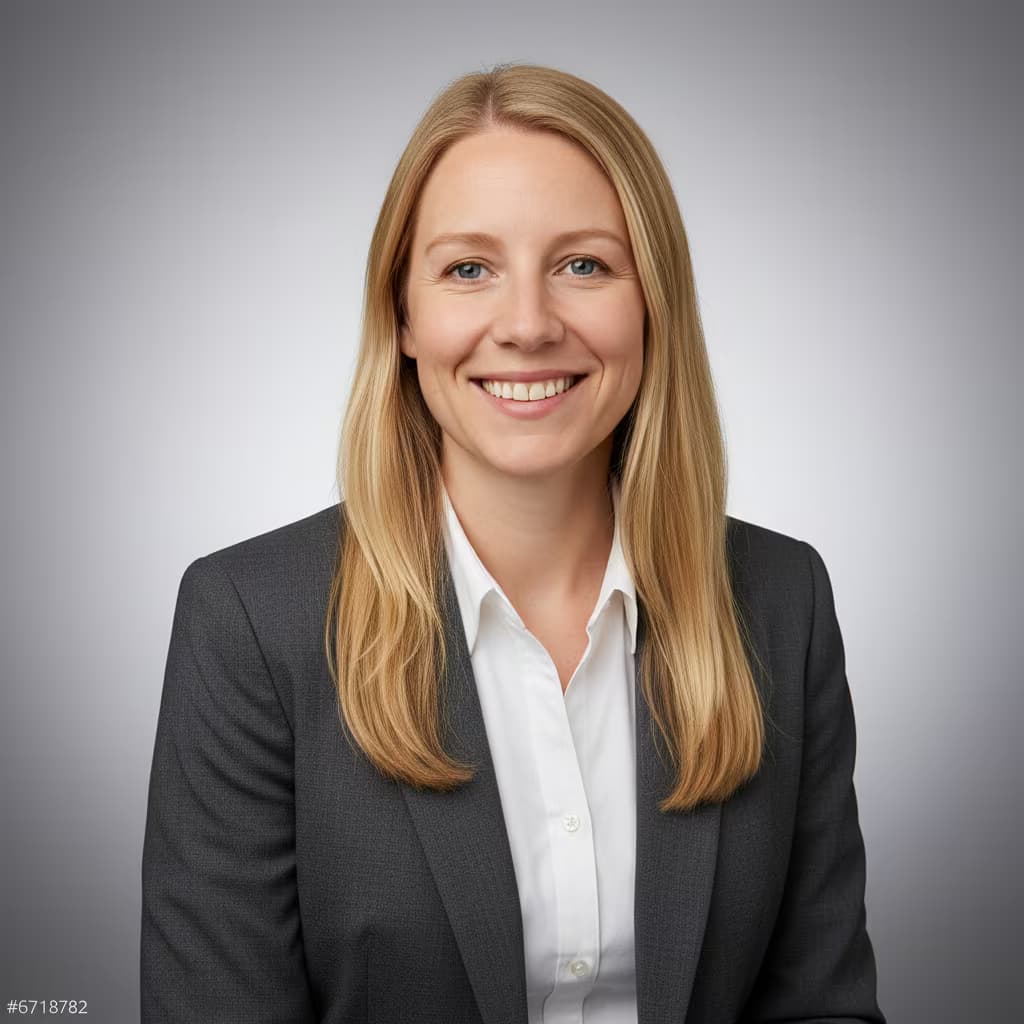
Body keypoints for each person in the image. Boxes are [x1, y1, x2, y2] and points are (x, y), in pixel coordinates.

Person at [140, 62, 886, 1024]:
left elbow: (822, 1004)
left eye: (584, 265)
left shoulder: (784, 599)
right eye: (468, 269)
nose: (528, 326)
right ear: (402, 314)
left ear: (653, 303)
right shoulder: (250, 622)